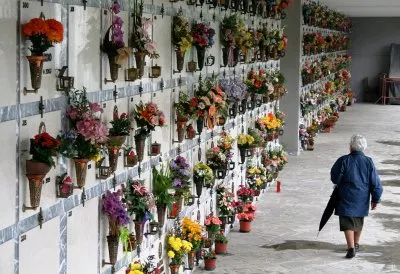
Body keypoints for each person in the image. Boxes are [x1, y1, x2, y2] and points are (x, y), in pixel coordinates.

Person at [330, 134, 383, 259]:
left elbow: (334, 177)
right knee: (358, 219)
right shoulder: (368, 162)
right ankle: (356, 243)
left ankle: (351, 247)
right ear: (363, 148)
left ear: (350, 147)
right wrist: (376, 198)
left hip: (346, 195)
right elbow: (375, 182)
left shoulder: (344, 160)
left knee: (347, 221)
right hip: (362, 196)